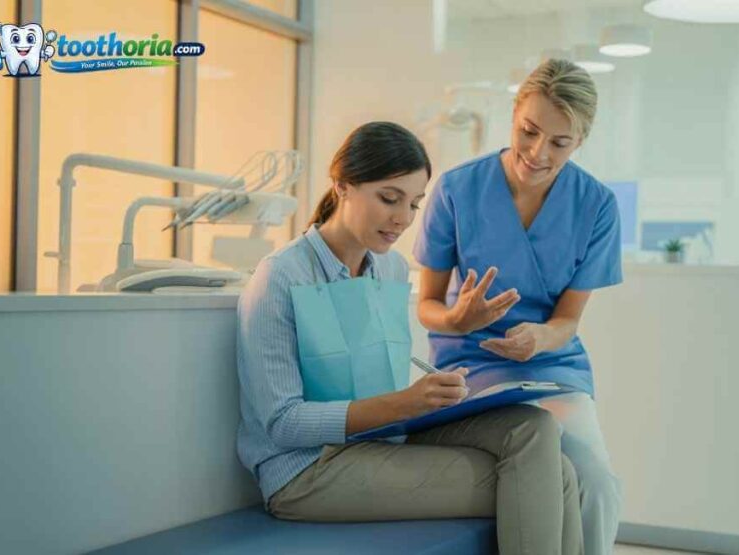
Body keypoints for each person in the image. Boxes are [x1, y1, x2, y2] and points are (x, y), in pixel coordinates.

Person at [236, 121, 584, 555]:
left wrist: (435, 395)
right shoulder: (281, 276)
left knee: (535, 428)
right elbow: (282, 424)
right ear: (342, 185)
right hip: (308, 470)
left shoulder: (391, 269)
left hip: (381, 438)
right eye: (389, 198)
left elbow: (377, 376)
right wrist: (404, 403)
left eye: (415, 204)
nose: (403, 218)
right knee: (547, 478)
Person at [414, 59, 623, 555]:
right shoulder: (456, 190)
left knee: (593, 480)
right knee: (541, 471)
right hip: (471, 367)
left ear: (581, 140)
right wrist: (456, 318)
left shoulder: (596, 205)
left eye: (559, 143)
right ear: (513, 115)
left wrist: (537, 338)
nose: (537, 152)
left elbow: (568, 321)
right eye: (528, 131)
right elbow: (426, 304)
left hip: (552, 367)